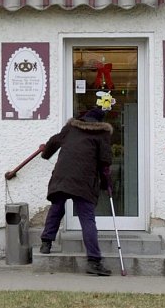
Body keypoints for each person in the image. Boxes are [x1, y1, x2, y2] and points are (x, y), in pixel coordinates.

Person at [38, 106, 114, 276]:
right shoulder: (102, 133)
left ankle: (46, 243)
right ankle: (93, 261)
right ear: (100, 121)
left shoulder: (71, 128)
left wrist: (46, 154)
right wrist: (106, 184)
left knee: (57, 207)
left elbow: (54, 141)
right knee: (87, 219)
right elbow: (105, 162)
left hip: (62, 176)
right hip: (84, 181)